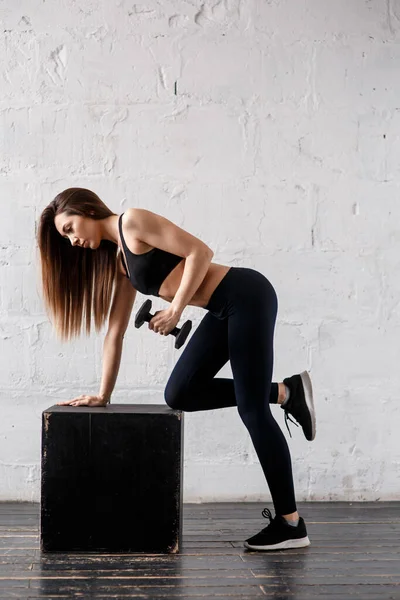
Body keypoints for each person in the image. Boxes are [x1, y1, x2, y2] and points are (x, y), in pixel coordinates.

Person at [37, 187, 316, 551]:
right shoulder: (121, 262)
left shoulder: (132, 221)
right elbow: (115, 332)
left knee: (252, 411)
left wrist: (176, 310)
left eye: (70, 228)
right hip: (222, 310)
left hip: (246, 295)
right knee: (180, 392)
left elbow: (200, 252)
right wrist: (103, 395)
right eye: (66, 236)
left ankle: (291, 524)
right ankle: (286, 392)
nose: (73, 240)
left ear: (86, 210)